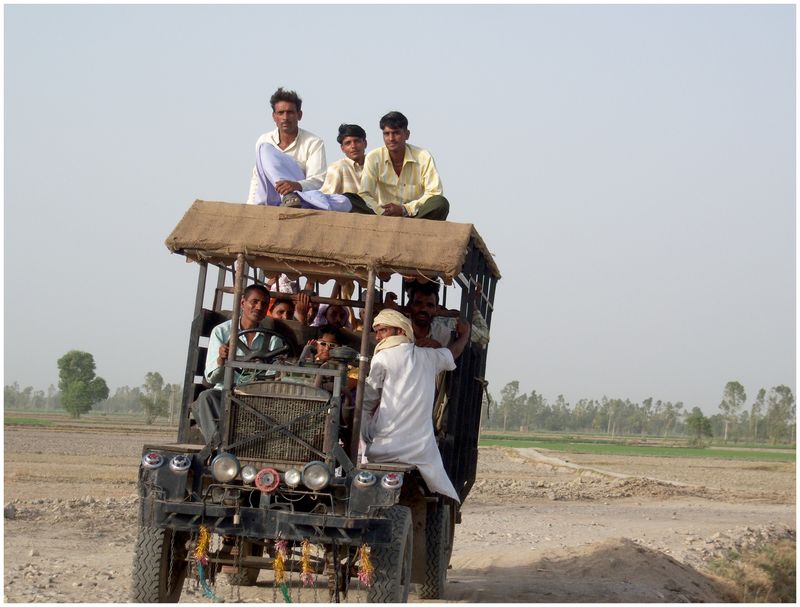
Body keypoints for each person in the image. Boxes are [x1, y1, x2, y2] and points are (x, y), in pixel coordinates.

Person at [361, 309, 469, 502]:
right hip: (421, 451)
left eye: (383, 331)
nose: (378, 337)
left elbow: (368, 401)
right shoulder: (428, 356)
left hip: (384, 450)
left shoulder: (382, 358)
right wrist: (465, 335)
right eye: (376, 332)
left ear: (401, 331)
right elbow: (453, 353)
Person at [192, 284, 280, 444]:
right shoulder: (221, 332)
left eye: (264, 304)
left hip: (258, 398)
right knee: (206, 397)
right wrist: (221, 359)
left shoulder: (273, 340)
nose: (259, 307)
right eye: (254, 302)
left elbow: (274, 375)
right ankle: (219, 447)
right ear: (242, 303)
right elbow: (211, 379)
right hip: (226, 394)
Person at [345, 111, 449, 220]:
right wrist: (381, 211)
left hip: (415, 215)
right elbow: (365, 193)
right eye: (386, 134)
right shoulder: (374, 157)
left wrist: (404, 209)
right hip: (382, 216)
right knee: (349, 200)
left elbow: (434, 192)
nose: (391, 138)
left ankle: (411, 228)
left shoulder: (423, 156)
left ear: (407, 134)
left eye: (396, 133)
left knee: (440, 203)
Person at [246, 87, 327, 207]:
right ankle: (287, 197)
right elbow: (258, 177)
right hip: (269, 200)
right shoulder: (265, 140)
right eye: (280, 113)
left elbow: (317, 179)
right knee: (265, 149)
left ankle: (289, 197)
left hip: (298, 200)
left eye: (290, 112)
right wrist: (250, 206)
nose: (285, 117)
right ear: (274, 116)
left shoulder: (313, 142)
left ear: (299, 115)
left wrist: (296, 185)